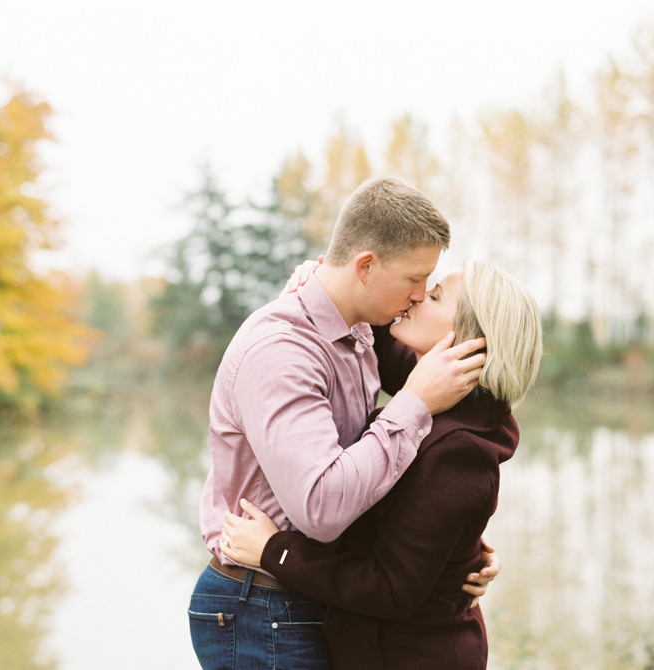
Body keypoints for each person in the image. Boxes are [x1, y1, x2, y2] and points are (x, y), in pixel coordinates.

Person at [189, 176, 497, 670]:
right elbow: (322, 507)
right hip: (262, 604)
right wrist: (412, 401)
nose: (419, 295)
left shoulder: (360, 331)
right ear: (366, 266)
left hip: (309, 597)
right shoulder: (282, 352)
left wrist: (459, 550)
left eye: (430, 286)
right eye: (415, 279)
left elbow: (457, 435)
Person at [220, 259, 543, 670]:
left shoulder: (460, 450)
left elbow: (391, 588)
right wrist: (323, 279)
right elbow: (372, 324)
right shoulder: (449, 395)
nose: (419, 295)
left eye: (436, 295)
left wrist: (274, 551)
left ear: (465, 339)